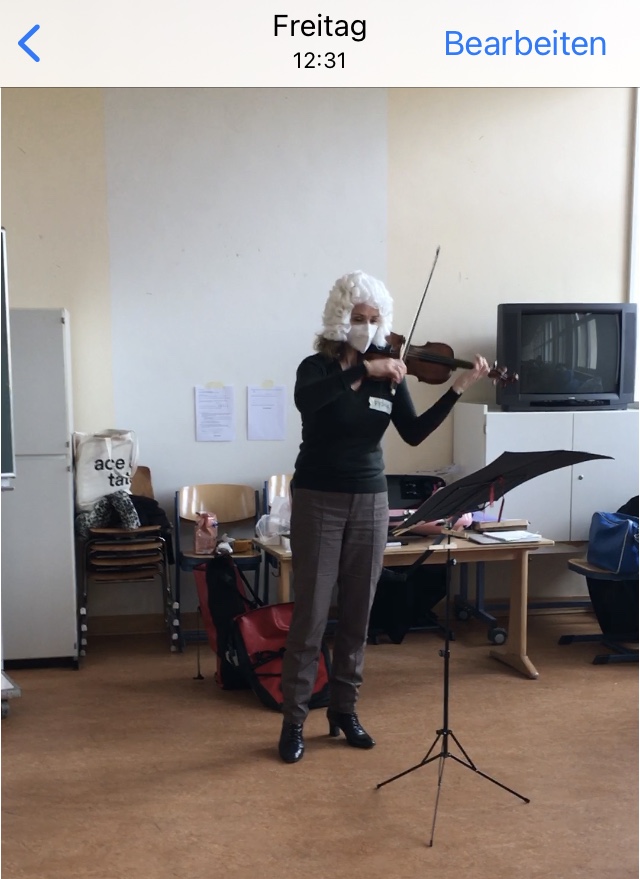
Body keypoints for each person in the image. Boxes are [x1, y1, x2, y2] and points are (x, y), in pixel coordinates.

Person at [278, 270, 490, 763]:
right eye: (358, 318)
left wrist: (457, 388)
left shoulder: (391, 372)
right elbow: (309, 402)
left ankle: (344, 711)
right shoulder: (318, 369)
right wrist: (363, 373)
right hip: (318, 497)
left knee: (358, 612)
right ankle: (293, 721)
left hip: (371, 499)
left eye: (374, 319)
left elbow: (414, 433)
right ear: (339, 319)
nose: (367, 326)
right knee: (310, 616)